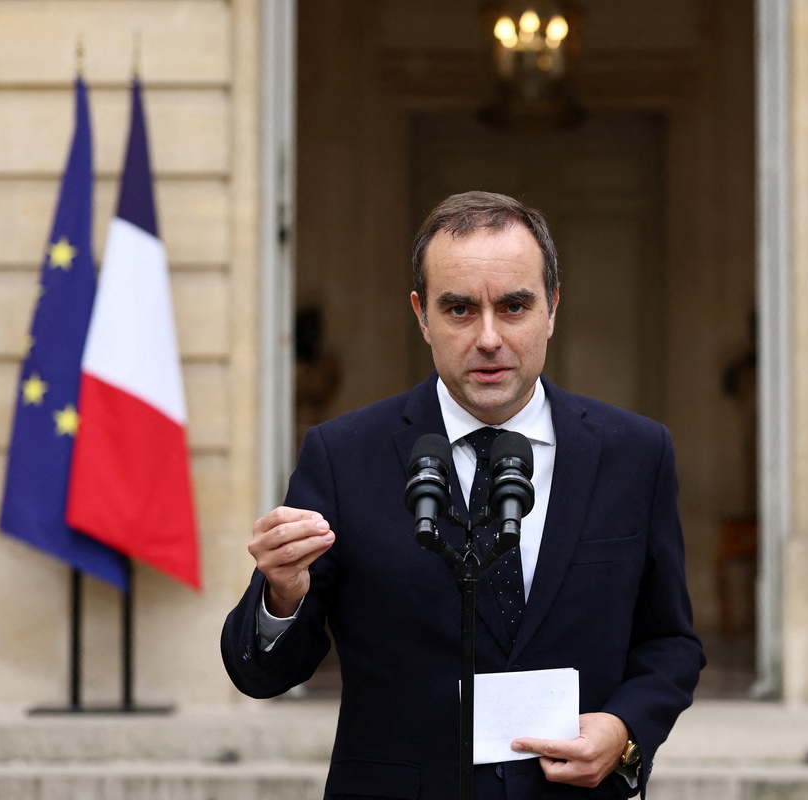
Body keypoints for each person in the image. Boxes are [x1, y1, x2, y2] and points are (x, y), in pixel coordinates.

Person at [222, 191, 704, 799]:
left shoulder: (635, 453)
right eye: (459, 309)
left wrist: (625, 731)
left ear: (552, 308)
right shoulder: (343, 456)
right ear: (422, 316)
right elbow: (260, 674)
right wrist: (281, 596)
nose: (489, 337)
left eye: (514, 306)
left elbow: (670, 642)